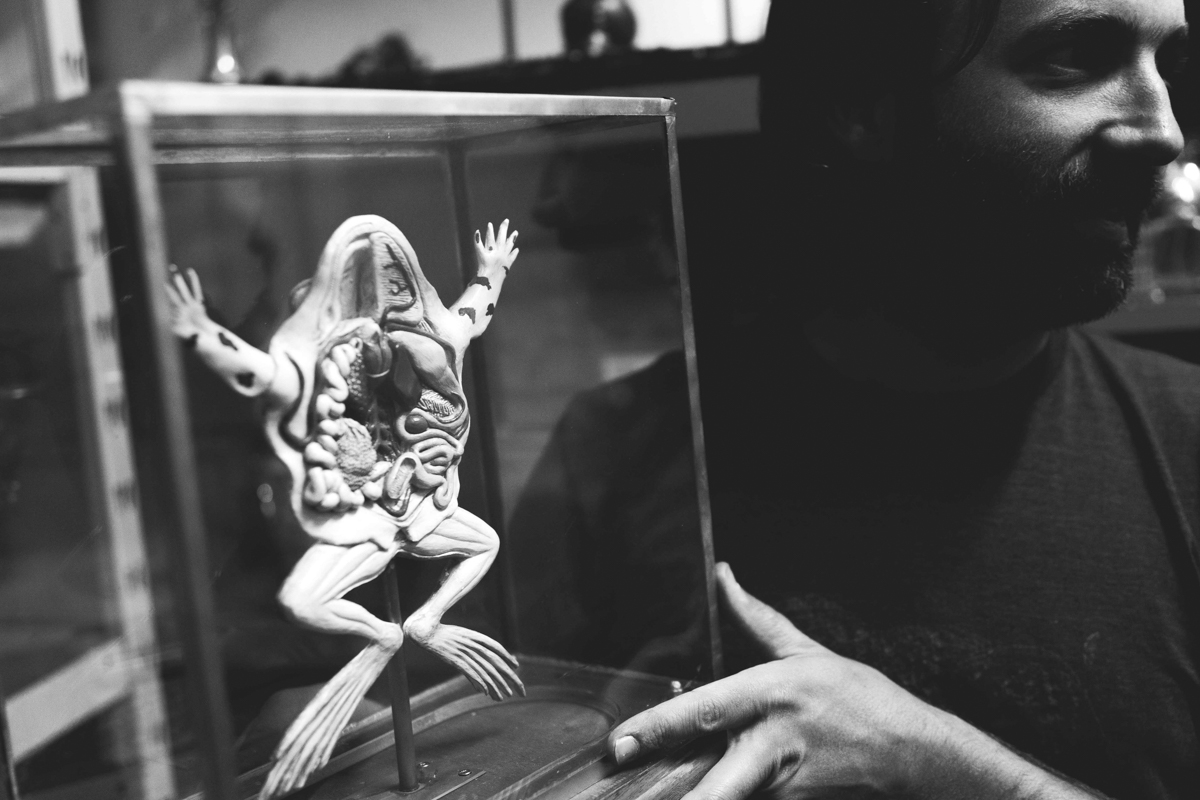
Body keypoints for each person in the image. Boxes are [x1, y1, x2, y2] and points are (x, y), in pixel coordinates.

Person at [601, 0, 1200, 798]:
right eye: (1073, 58)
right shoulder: (619, 450)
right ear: (859, 105)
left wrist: (930, 763)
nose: (1163, 131)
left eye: (1169, 66)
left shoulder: (1187, 438)